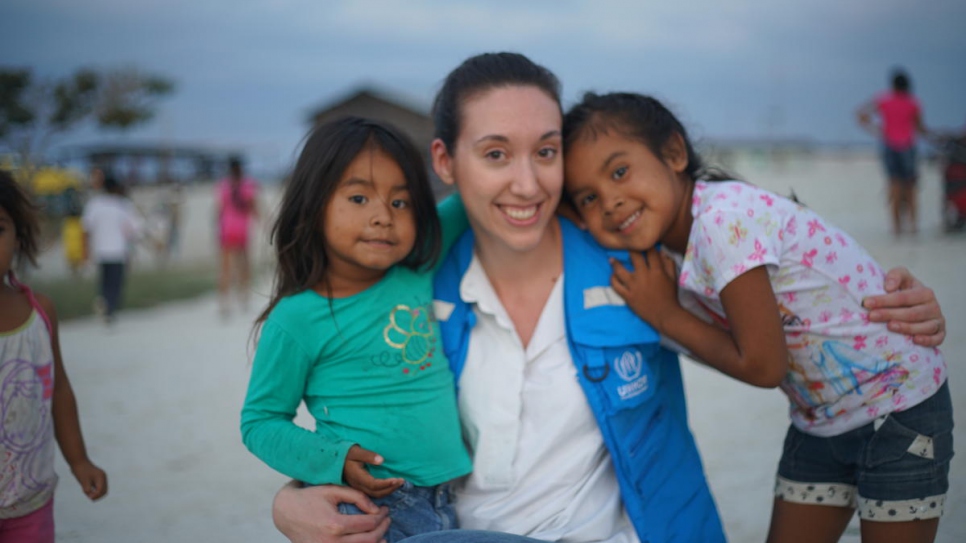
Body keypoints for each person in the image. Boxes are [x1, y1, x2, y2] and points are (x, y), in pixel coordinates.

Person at [271, 53, 950, 543]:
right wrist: (290, 499)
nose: (528, 183)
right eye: (496, 154)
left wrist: (887, 310)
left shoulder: (634, 260)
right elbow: (351, 414)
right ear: (447, 164)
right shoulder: (408, 282)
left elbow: (770, 318)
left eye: (546, 151)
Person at [562, 91, 952, 543]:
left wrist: (666, 315)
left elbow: (765, 366)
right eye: (588, 197)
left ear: (673, 152)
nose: (609, 201)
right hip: (820, 420)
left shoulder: (720, 222)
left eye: (620, 171)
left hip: (898, 405)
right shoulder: (666, 255)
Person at [240, 117, 472, 543]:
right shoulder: (297, 318)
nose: (383, 216)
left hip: (449, 498)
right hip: (369, 510)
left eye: (400, 203)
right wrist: (333, 458)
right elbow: (260, 421)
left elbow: (473, 197)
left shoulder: (416, 266)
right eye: (360, 197)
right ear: (313, 207)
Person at [0, 171, 108, 541]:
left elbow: (59, 390)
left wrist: (79, 460)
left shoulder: (39, 313)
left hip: (31, 500)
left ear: (18, 237)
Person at [856, 69, 929, 236]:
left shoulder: (884, 100)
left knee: (894, 186)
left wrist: (877, 129)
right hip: (908, 146)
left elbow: (860, 114)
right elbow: (920, 128)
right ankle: (913, 225)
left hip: (889, 144)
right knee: (910, 187)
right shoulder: (913, 102)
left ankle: (896, 227)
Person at [81, 173, 142, 324]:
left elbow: (86, 229)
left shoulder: (94, 204)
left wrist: (85, 251)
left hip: (100, 250)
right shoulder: (122, 205)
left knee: (104, 280)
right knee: (116, 282)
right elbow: (133, 229)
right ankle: (109, 308)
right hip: (118, 250)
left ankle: (104, 301)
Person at [215, 156, 259, 317]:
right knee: (244, 265)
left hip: (226, 229)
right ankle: (244, 297)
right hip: (242, 230)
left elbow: (219, 208)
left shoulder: (224, 185)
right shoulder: (247, 185)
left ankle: (224, 303)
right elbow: (253, 205)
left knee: (225, 268)